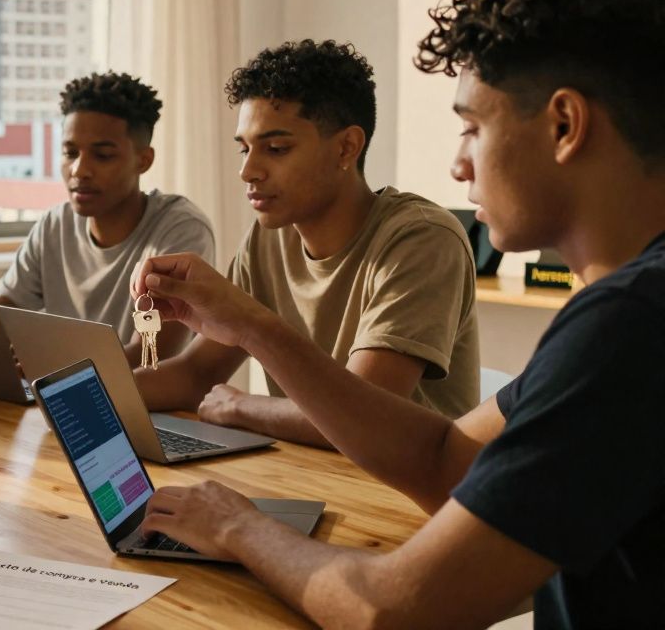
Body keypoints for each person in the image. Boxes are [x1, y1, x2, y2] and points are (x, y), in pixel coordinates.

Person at [132, 0, 665, 628]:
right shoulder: (623, 310)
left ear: (564, 125)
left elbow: (391, 611)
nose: (458, 165)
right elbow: (444, 458)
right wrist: (253, 327)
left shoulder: (631, 324)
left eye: (472, 128)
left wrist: (237, 526)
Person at [134, 40, 479, 447]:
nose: (248, 171)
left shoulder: (422, 239)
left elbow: (364, 419)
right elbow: (195, 375)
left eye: (276, 149)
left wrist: (242, 406)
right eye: (244, 149)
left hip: (404, 485)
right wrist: (82, 393)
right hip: (306, 472)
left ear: (346, 147)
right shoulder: (267, 238)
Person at [0, 71, 215, 365]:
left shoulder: (180, 229)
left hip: (145, 392)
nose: (79, 170)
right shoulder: (54, 226)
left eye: (102, 156)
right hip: (57, 386)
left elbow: (150, 355)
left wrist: (46, 363)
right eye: (70, 153)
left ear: (144, 160)